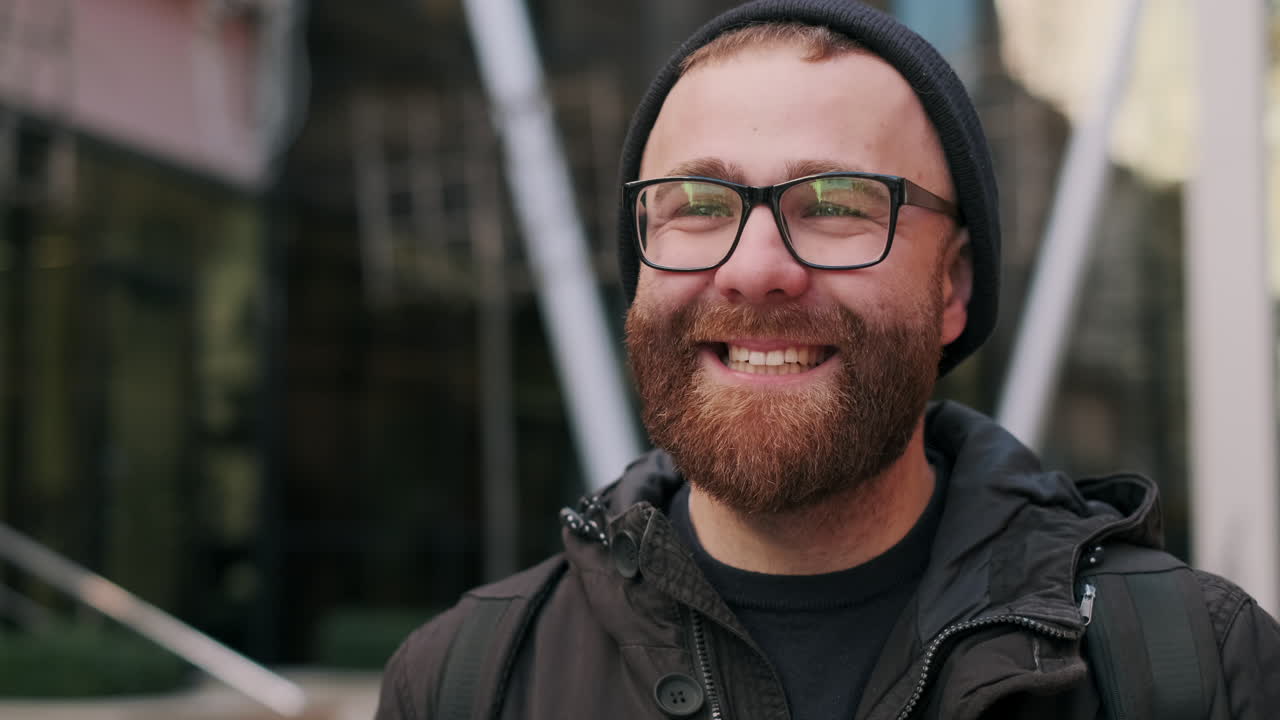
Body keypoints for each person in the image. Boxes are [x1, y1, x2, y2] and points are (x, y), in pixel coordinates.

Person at [375, 1, 1280, 718]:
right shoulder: (468, 682)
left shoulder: (1193, 667)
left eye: (839, 204)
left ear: (953, 286)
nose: (757, 268)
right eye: (698, 202)